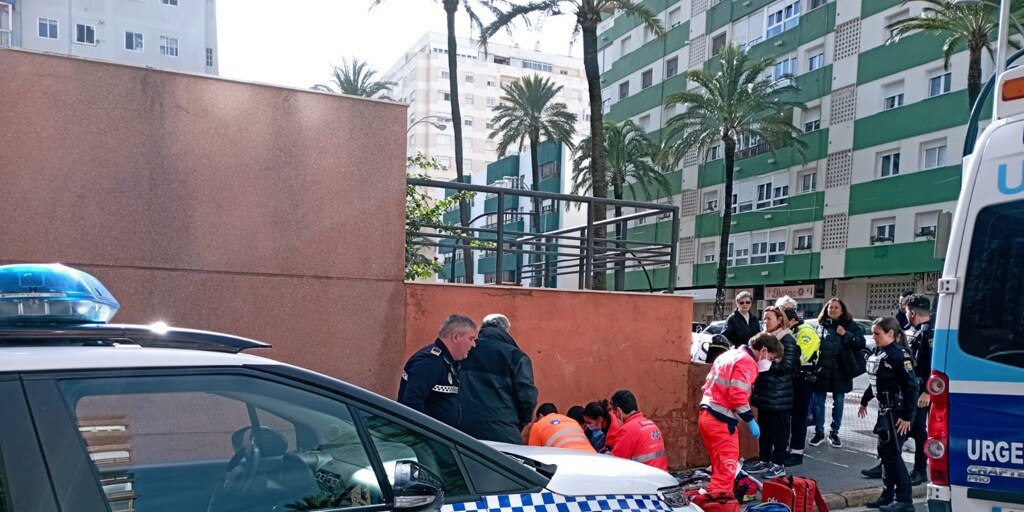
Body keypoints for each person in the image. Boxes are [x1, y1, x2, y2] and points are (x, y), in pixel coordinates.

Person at [699, 332, 784, 494]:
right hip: (721, 421)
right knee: (726, 473)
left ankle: (712, 501)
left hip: (707, 415)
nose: (769, 363)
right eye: (771, 359)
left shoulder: (729, 355)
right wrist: (750, 420)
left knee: (719, 469)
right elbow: (737, 396)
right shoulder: (747, 362)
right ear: (764, 350)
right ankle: (718, 504)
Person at [862, 295, 933, 483]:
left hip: (919, 390)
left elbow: (933, 363)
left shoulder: (930, 332)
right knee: (893, 431)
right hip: (906, 387)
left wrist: (928, 390)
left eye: (906, 310)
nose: (905, 313)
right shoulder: (910, 330)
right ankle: (886, 464)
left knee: (917, 431)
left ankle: (918, 469)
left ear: (913, 311)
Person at [858, 317, 918, 512]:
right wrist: (864, 400)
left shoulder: (900, 355)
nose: (873, 337)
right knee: (885, 455)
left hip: (898, 413)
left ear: (890, 333)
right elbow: (876, 380)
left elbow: (911, 387)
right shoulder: (880, 352)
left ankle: (904, 500)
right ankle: (887, 495)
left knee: (892, 455)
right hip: (885, 412)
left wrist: (907, 416)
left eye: (877, 333)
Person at [458, 313, 538, 444]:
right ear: (506, 330)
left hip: (460, 427)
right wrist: (521, 422)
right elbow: (527, 396)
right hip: (502, 428)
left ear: (482, 329)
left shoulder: (463, 351)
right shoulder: (515, 356)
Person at [398, 314, 478, 428]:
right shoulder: (429, 362)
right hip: (424, 441)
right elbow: (412, 405)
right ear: (456, 337)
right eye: (471, 339)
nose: (473, 344)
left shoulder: (446, 362)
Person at [747, 306, 798, 478]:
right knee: (765, 429)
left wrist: (767, 366)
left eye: (769, 318)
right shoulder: (765, 338)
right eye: (764, 318)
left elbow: (787, 366)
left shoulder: (787, 339)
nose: (765, 321)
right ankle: (764, 459)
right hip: (765, 392)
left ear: (779, 320)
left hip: (779, 395)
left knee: (779, 431)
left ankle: (778, 464)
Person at [811, 298, 865, 449]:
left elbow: (861, 343)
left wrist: (846, 334)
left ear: (842, 311)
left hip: (841, 370)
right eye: (830, 307)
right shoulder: (820, 325)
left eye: (836, 308)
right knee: (819, 402)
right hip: (823, 370)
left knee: (839, 402)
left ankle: (834, 432)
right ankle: (819, 432)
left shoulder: (850, 325)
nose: (832, 310)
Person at [782, 304, 821, 467]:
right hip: (793, 379)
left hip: (803, 379)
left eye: (782, 321)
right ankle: (787, 449)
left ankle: (797, 452)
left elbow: (801, 357)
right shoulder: (794, 330)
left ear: (792, 320)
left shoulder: (805, 332)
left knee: (799, 416)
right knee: (789, 416)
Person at [609, 390, 669, 471]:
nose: (615, 417)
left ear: (619, 411)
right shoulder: (652, 425)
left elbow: (616, 462)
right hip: (662, 476)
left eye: (614, 413)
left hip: (644, 479)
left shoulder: (627, 429)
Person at [527, 403, 596, 452]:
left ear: (540, 417)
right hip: (592, 456)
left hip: (566, 459)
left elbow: (534, 455)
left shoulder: (538, 424)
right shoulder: (572, 421)